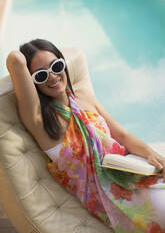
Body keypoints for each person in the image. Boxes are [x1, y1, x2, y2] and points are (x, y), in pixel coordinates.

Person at [6, 39, 165, 233]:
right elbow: (15, 59)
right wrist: (27, 53)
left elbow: (122, 136)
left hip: (134, 172)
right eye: (41, 75)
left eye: (56, 66)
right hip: (112, 200)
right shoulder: (39, 120)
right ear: (32, 82)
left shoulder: (84, 96)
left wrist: (152, 155)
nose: (53, 76)